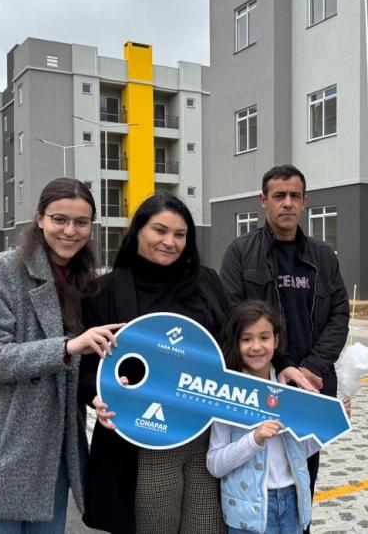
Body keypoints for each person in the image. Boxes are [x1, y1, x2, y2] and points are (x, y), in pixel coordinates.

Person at [0, 177, 122, 533]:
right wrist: (66, 346)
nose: (70, 230)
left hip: (53, 452)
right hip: (1, 448)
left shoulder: (86, 281)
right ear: (39, 219)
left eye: (81, 222)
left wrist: (100, 395)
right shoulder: (4, 270)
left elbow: (86, 367)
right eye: (59, 219)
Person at [78, 192, 229, 534]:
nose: (169, 242)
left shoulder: (207, 282)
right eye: (159, 230)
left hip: (204, 436)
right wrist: (98, 398)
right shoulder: (105, 290)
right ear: (138, 232)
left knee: (206, 526)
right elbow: (85, 371)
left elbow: (234, 344)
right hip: (138, 442)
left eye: (180, 234)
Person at [219, 165, 350, 502]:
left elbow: (339, 313)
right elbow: (232, 316)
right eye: (279, 196)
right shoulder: (240, 252)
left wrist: (311, 367)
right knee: (254, 483)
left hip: (311, 387)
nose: (287, 203)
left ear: (305, 201)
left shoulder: (323, 257)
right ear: (263, 200)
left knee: (302, 482)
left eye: (294, 196)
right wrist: (284, 364)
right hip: (258, 386)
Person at [207, 300, 321, 534]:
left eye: (264, 337)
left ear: (276, 341)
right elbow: (215, 465)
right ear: (236, 343)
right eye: (246, 339)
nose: (256, 346)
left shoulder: (290, 389)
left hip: (293, 502)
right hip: (248, 512)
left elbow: (303, 450)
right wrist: (255, 439)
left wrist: (329, 424)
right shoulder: (227, 394)